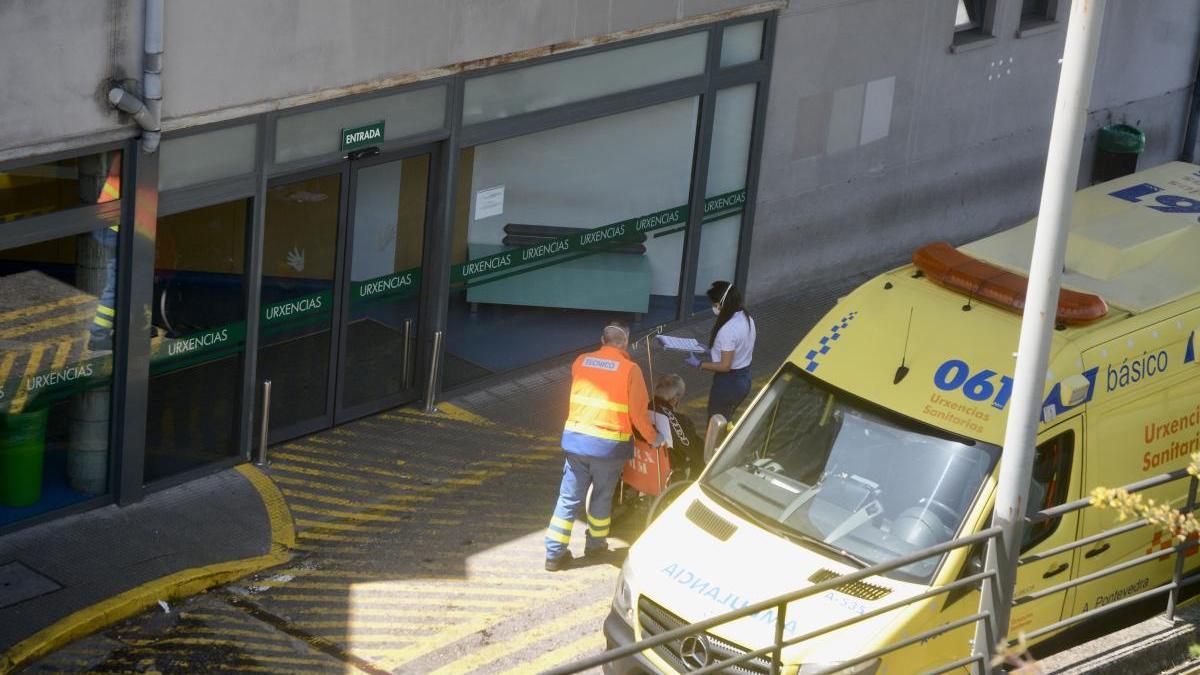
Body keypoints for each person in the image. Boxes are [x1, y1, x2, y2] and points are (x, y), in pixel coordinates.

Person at [545, 321, 663, 571]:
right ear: (625, 342)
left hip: (577, 442)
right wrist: (654, 439)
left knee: (567, 498)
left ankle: (553, 555)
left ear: (603, 339)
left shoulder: (581, 361)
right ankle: (595, 545)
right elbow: (639, 415)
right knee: (601, 496)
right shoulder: (631, 370)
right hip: (608, 448)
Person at [686, 281, 757, 421]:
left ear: (722, 304)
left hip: (729, 383)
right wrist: (711, 351)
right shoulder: (746, 318)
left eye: (714, 304)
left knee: (716, 423)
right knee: (725, 418)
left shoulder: (728, 330)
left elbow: (725, 366)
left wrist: (699, 364)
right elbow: (735, 349)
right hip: (744, 378)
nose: (714, 307)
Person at [650, 374, 703, 479]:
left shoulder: (642, 408)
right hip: (666, 473)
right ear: (676, 398)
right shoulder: (680, 421)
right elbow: (696, 451)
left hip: (640, 467)